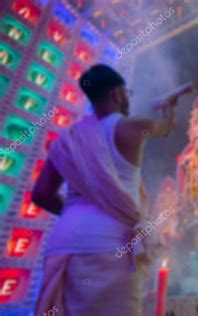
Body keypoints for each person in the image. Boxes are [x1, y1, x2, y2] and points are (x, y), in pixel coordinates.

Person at [33, 64, 178, 316]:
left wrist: (73, 212)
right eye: (126, 93)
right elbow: (166, 129)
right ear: (117, 94)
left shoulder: (67, 140)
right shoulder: (133, 127)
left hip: (64, 244)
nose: (127, 99)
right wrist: (169, 109)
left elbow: (41, 194)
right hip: (112, 244)